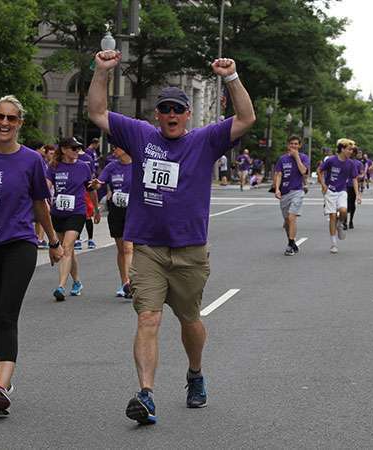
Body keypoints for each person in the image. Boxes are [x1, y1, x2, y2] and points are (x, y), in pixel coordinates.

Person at [88, 49, 255, 424]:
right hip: (147, 248)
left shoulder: (205, 141)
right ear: (157, 115)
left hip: (189, 251)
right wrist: (101, 71)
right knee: (148, 318)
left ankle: (195, 373)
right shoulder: (141, 136)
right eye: (165, 109)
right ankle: (146, 394)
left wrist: (231, 77)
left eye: (178, 110)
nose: (171, 115)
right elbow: (97, 112)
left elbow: (246, 118)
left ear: (187, 115)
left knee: (189, 319)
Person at [0, 95, 63, 414]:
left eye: (11, 118)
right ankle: (0, 378)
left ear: (19, 123)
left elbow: (39, 205)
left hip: (20, 245)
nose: (4, 123)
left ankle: (2, 386)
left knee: (6, 313)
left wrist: (54, 240)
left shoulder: (32, 160)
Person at [47, 137, 99, 301]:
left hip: (77, 212)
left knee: (67, 247)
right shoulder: (53, 167)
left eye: (78, 148)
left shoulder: (83, 167)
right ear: (63, 149)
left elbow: (91, 190)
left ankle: (61, 286)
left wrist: (96, 210)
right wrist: (42, 201)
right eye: (73, 148)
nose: (77, 151)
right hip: (58, 213)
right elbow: (45, 186)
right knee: (66, 251)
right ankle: (77, 282)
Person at [94, 146, 133, 297]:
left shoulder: (138, 165)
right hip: (116, 210)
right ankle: (123, 282)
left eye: (116, 147)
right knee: (122, 249)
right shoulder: (112, 166)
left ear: (125, 147)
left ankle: (130, 283)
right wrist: (96, 184)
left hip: (133, 211)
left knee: (129, 247)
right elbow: (100, 181)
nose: (113, 150)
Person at [317, 138, 360, 254]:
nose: (351, 152)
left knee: (343, 211)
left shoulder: (351, 163)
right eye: (349, 149)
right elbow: (319, 171)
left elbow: (355, 179)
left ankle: (340, 224)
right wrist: (323, 184)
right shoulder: (331, 160)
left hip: (342, 191)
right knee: (332, 216)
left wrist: (358, 195)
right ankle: (333, 244)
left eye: (352, 150)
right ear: (342, 149)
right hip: (330, 191)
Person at [273, 135, 309, 256]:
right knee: (287, 221)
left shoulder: (304, 157)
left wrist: (297, 157)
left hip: (297, 191)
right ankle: (291, 242)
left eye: (296, 144)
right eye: (291, 143)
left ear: (299, 145)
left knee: (292, 217)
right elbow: (278, 174)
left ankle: (290, 245)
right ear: (288, 145)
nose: (294, 146)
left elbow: (304, 171)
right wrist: (277, 189)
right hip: (284, 193)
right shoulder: (282, 159)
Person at [73, 139, 99, 250]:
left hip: (86, 189)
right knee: (76, 214)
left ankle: (90, 239)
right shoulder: (72, 158)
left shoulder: (88, 158)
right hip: (75, 190)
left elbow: (92, 174)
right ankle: (78, 239)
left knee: (87, 215)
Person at [346, 145, 363, 229]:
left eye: (353, 152)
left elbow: (362, 173)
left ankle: (351, 220)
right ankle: (344, 221)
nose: (351, 153)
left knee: (352, 204)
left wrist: (359, 176)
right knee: (344, 204)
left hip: (353, 185)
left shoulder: (358, 163)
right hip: (344, 185)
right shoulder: (343, 161)